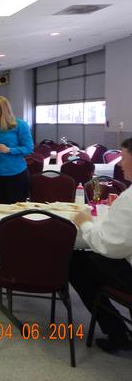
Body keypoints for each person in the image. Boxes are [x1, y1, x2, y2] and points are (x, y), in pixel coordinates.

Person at [69, 137, 132, 354]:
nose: (120, 164)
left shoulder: (129, 199)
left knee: (74, 262)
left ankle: (117, 332)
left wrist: (85, 223)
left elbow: (110, 246)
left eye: (123, 157)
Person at [0, 96, 33, 204]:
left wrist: (10, 150)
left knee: (15, 211)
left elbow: (29, 148)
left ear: (5, 111)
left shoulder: (20, 125)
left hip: (16, 174)